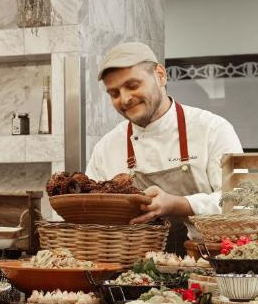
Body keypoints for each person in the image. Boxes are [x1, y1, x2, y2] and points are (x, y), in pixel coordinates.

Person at [85, 42, 242, 253]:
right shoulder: (107, 147)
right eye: (114, 93)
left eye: (133, 85)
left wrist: (177, 204)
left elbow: (239, 203)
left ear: (160, 75)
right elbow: (90, 214)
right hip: (133, 264)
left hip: (206, 260)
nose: (125, 99)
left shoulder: (211, 130)